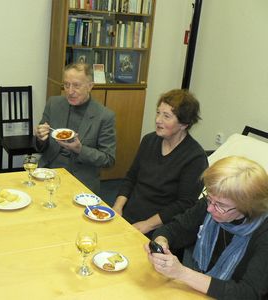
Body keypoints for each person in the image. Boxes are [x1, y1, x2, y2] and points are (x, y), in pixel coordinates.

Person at [146, 156, 268, 299]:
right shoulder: (211, 203)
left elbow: (249, 293)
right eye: (209, 198)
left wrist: (182, 273)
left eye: (220, 205)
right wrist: (161, 243)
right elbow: (174, 229)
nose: (210, 209)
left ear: (247, 206)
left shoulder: (263, 233)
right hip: (197, 291)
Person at [112, 89, 208, 237]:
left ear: (184, 124)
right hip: (129, 214)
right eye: (158, 113)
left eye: (166, 116)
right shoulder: (149, 140)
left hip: (160, 228)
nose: (158, 120)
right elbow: (131, 177)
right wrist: (117, 207)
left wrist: (147, 225)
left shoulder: (195, 158)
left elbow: (184, 205)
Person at [35, 63, 116, 194]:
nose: (70, 91)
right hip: (49, 171)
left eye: (76, 85)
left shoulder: (104, 116)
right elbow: (39, 146)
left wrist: (80, 150)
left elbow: (108, 160)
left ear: (90, 86)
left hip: (81, 178)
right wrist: (40, 138)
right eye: (66, 85)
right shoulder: (53, 104)